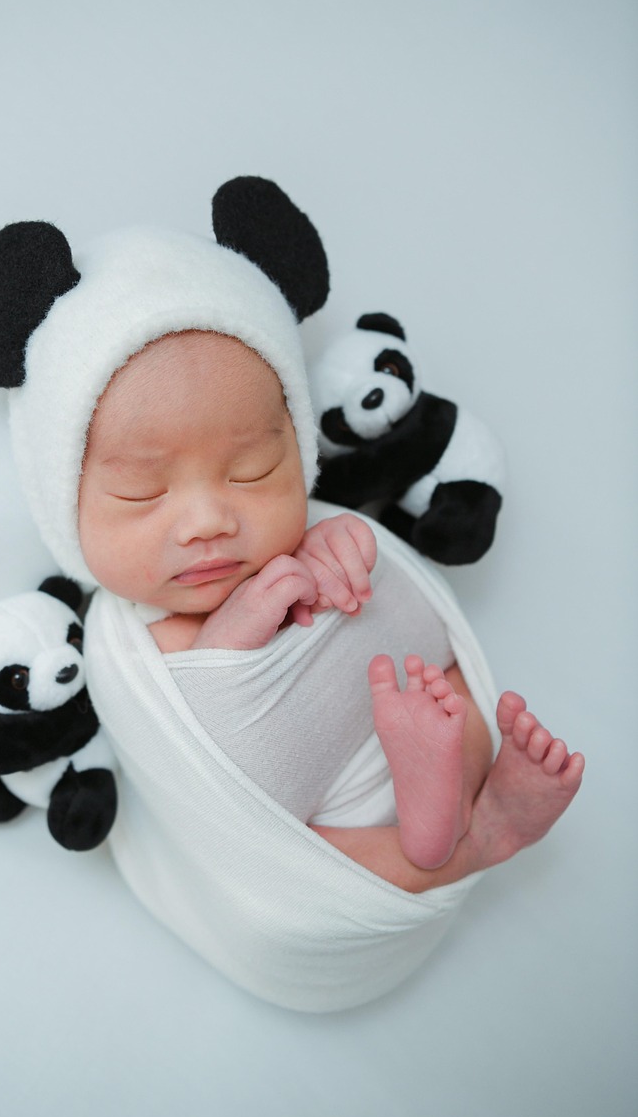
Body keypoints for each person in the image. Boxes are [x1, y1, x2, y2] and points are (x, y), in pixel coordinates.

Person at [77, 328, 583, 891]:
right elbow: (194, 778)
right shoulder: (123, 640)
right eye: (141, 492)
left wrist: (344, 548)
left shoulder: (303, 533)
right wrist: (224, 645)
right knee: (289, 867)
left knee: (449, 695)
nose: (208, 523)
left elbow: (400, 613)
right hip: (319, 829)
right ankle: (469, 841)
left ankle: (460, 799)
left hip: (403, 740)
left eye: (252, 471)